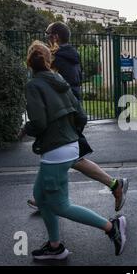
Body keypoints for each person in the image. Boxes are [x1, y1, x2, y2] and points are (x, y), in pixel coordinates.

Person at [20, 41, 127, 260]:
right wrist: (70, 134)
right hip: (70, 145)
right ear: (49, 60)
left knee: (60, 205)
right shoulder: (60, 80)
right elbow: (81, 116)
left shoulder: (34, 85)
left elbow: (38, 123)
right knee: (41, 197)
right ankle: (55, 246)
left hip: (55, 151)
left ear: (29, 63)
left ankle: (112, 228)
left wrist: (24, 129)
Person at [27, 22, 128, 213]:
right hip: (70, 111)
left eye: (48, 34)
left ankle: (115, 185)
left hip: (63, 115)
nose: (47, 37)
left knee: (65, 155)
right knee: (63, 155)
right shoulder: (71, 55)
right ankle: (45, 197)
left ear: (55, 36)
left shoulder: (56, 58)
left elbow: (55, 86)